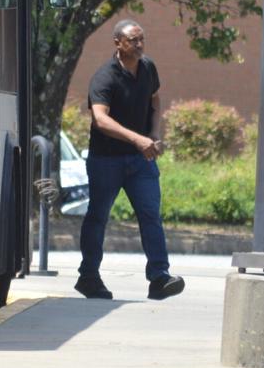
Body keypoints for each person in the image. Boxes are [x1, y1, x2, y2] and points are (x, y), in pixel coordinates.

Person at [75, 19, 185, 301]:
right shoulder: (105, 77)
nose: (139, 45)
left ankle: (159, 277)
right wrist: (137, 139)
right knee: (98, 216)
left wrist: (153, 133)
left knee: (150, 215)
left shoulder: (148, 67)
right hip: (106, 160)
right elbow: (100, 119)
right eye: (133, 40)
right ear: (118, 43)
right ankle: (89, 277)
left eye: (141, 39)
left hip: (140, 161)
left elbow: (155, 99)